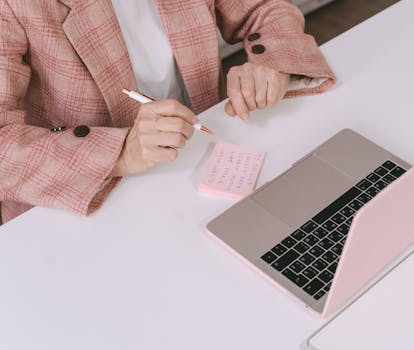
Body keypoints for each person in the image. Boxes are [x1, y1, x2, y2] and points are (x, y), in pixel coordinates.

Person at [0, 0, 335, 225]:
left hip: (200, 161)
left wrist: (271, 63)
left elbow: (264, 8)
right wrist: (121, 152)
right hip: (85, 199)